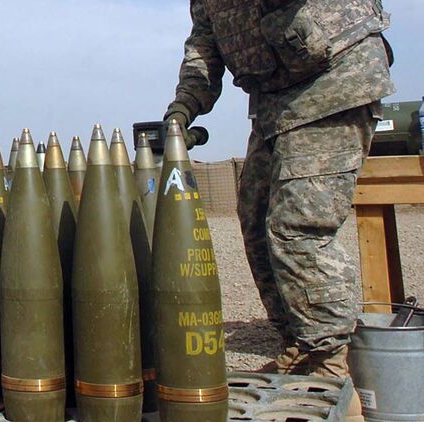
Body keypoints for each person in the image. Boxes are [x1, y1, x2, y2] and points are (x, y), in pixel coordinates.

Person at [165, 0, 394, 418]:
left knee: (297, 227)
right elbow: (203, 50)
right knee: (255, 220)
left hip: (336, 83)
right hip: (276, 107)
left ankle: (330, 368)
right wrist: (184, 107)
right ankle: (299, 347)